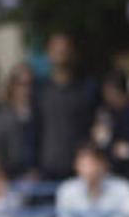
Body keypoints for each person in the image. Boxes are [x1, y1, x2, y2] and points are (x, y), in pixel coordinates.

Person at [32, 32, 100, 181]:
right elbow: (34, 130)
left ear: (72, 52)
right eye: (56, 49)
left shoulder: (87, 89)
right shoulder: (38, 90)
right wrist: (33, 166)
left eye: (65, 49)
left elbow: (94, 127)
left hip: (80, 168)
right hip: (46, 169)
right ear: (48, 53)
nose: (61, 52)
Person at [55, 143, 129, 217]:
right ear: (76, 166)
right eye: (83, 164)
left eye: (92, 163)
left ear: (104, 165)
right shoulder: (67, 191)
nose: (89, 169)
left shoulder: (121, 189)